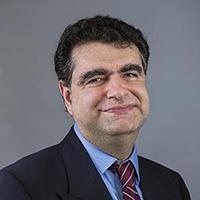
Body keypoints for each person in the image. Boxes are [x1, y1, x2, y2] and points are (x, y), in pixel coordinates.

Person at [0, 15, 191, 200]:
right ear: (67, 96)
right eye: (96, 79)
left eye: (130, 74)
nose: (118, 91)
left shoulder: (171, 184)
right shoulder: (20, 186)